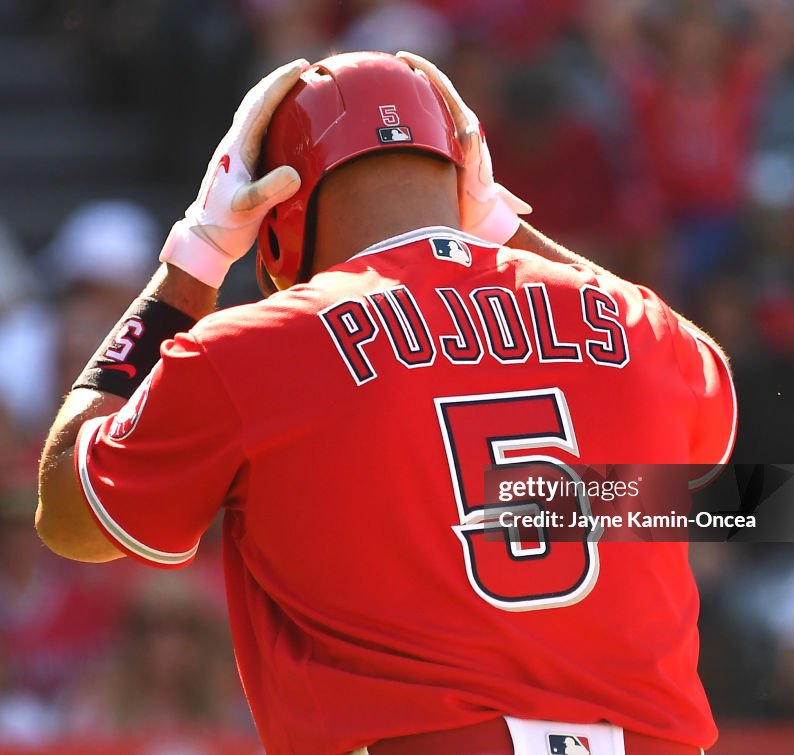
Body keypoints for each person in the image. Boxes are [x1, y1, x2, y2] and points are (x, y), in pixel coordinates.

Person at [37, 52, 735, 755]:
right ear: (464, 178)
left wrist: (196, 256)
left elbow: (70, 513)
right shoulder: (638, 325)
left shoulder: (253, 348)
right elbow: (713, 410)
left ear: (278, 216)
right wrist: (499, 226)